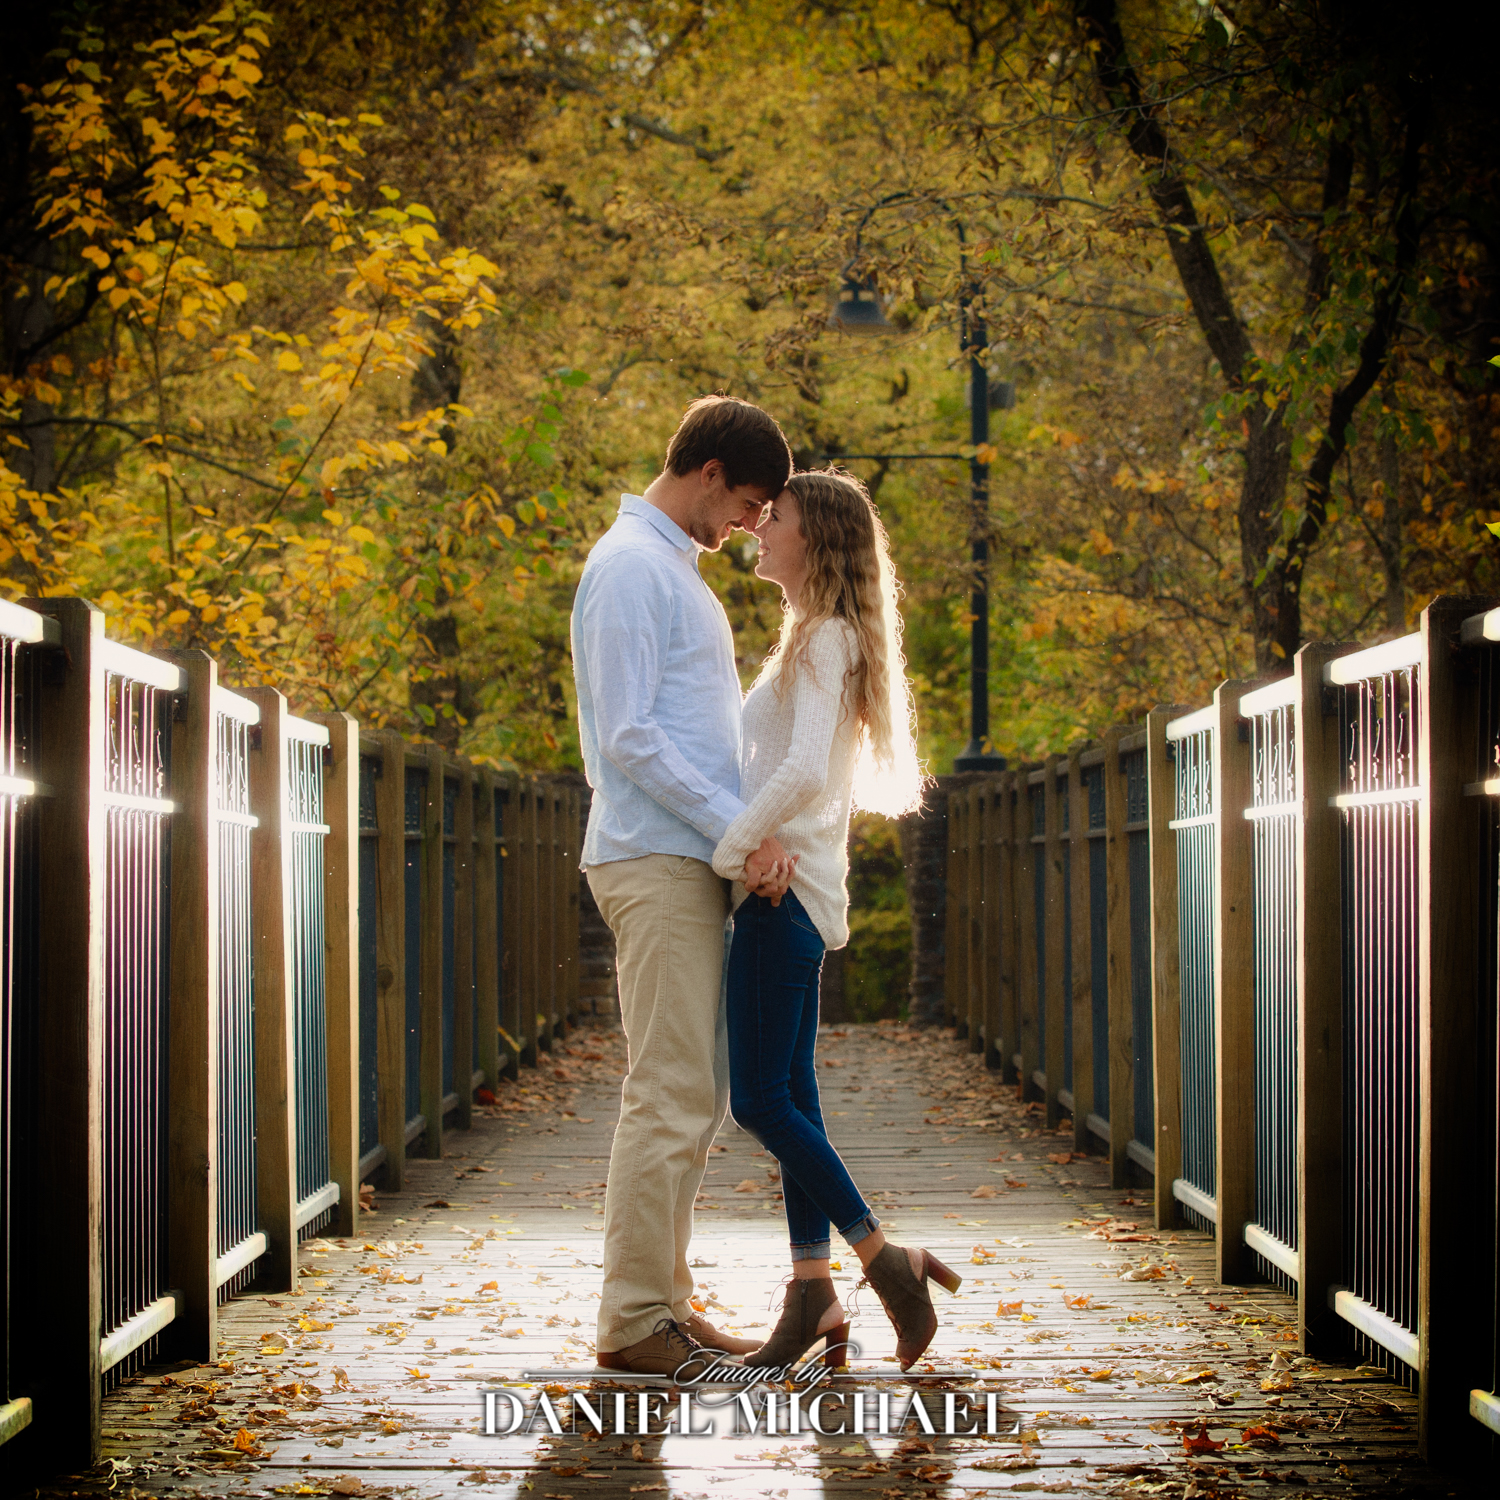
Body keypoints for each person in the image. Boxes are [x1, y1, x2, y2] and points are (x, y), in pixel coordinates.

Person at [711, 467, 961, 1372]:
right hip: (797, 895)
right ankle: (812, 1293)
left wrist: (732, 849)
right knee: (794, 1099)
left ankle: (885, 1262)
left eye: (772, 517)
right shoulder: (819, 635)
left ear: (811, 537)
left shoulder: (824, 638)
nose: (756, 528)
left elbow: (805, 769)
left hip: (781, 897)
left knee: (759, 1101)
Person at [571, 395, 798, 1376]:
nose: (751, 524)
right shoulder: (631, 567)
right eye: (747, 503)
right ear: (709, 473)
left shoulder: (668, 568)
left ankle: (666, 1301)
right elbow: (628, 737)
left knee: (690, 1093)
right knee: (667, 1091)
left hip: (683, 856)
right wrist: (738, 832)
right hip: (654, 856)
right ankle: (632, 1319)